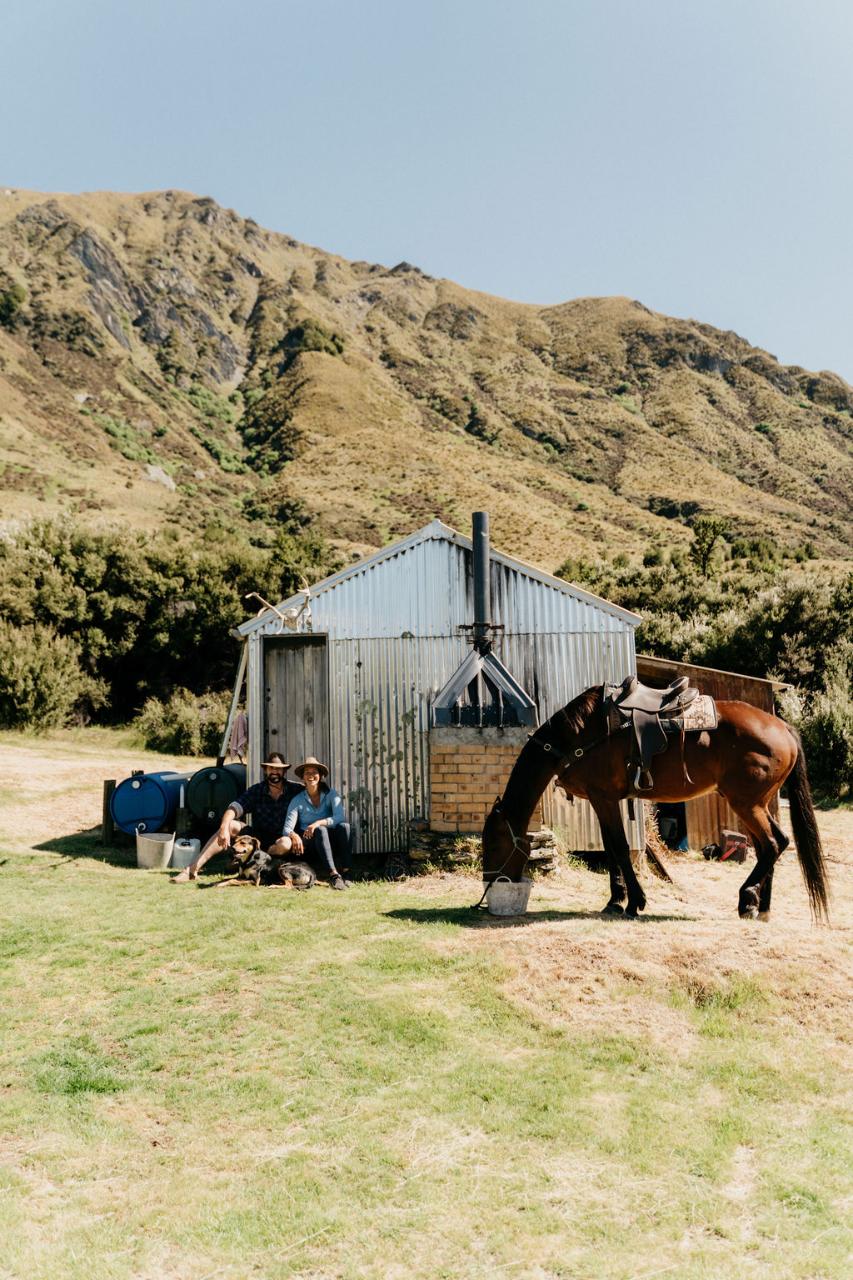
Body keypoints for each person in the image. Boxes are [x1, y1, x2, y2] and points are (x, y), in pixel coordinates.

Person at [172, 752, 303, 882]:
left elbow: (316, 793)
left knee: (285, 844)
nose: (274, 771)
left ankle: (248, 861)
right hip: (256, 838)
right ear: (265, 770)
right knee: (231, 824)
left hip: (281, 840)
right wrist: (224, 828)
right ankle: (192, 869)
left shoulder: (295, 789)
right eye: (271, 768)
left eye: (278, 768)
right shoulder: (256, 791)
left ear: (284, 771)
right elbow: (234, 808)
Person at [283, 756, 354, 891]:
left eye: (314, 772)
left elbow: (340, 817)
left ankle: (347, 872)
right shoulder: (297, 800)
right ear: (303, 778)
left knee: (344, 827)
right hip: (310, 844)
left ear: (320, 776)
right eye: (307, 773)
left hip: (331, 841)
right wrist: (294, 835)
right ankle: (334, 875)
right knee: (320, 830)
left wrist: (317, 823)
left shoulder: (331, 794)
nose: (311, 776)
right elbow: (286, 828)